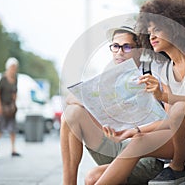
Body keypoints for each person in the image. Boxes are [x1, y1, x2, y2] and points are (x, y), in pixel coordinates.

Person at [86, 0, 185, 185]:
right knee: (131, 147)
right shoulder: (166, 69)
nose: (151, 36)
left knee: (179, 108)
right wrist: (133, 131)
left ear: (176, 27)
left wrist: (165, 95)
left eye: (158, 29)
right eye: (149, 31)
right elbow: (171, 121)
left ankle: (177, 168)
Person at [60, 25, 164, 185]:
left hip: (143, 153)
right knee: (72, 113)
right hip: (114, 144)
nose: (119, 52)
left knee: (93, 178)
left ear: (139, 50)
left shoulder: (153, 72)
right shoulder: (109, 78)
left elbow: (170, 119)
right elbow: (70, 98)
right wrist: (95, 104)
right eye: (115, 46)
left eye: (127, 46)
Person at [0, 57, 21, 157]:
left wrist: (15, 103)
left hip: (10, 107)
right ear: (8, 67)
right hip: (2, 106)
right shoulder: (3, 78)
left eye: (15, 67)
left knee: (12, 129)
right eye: (12, 67)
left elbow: (15, 92)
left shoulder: (15, 78)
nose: (14, 69)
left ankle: (13, 149)